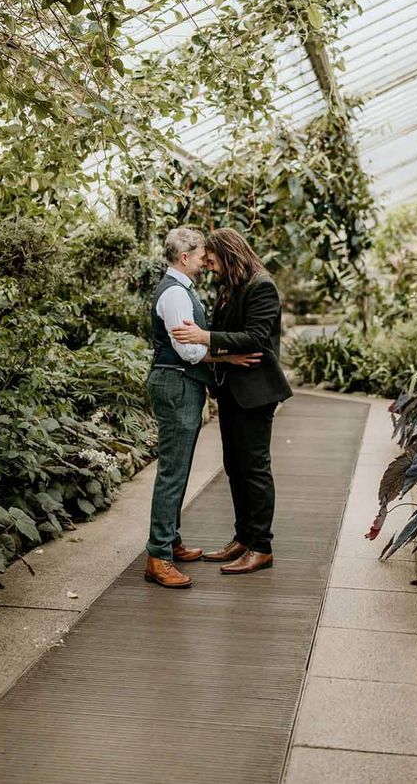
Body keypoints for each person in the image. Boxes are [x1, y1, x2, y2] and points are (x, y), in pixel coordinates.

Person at [145, 226, 261, 589]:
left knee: (177, 468)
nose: (204, 262)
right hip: (177, 382)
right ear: (184, 258)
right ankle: (158, 556)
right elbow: (189, 350)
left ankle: (170, 540)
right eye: (200, 257)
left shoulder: (179, 290)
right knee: (173, 472)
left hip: (180, 382)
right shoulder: (177, 294)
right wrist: (228, 356)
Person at [172, 228, 292, 575]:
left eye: (212, 261)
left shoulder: (261, 286)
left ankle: (261, 547)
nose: (209, 268)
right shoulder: (233, 286)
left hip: (255, 394)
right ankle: (242, 537)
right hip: (231, 391)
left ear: (229, 253)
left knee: (254, 469)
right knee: (235, 467)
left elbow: (256, 337)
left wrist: (205, 337)